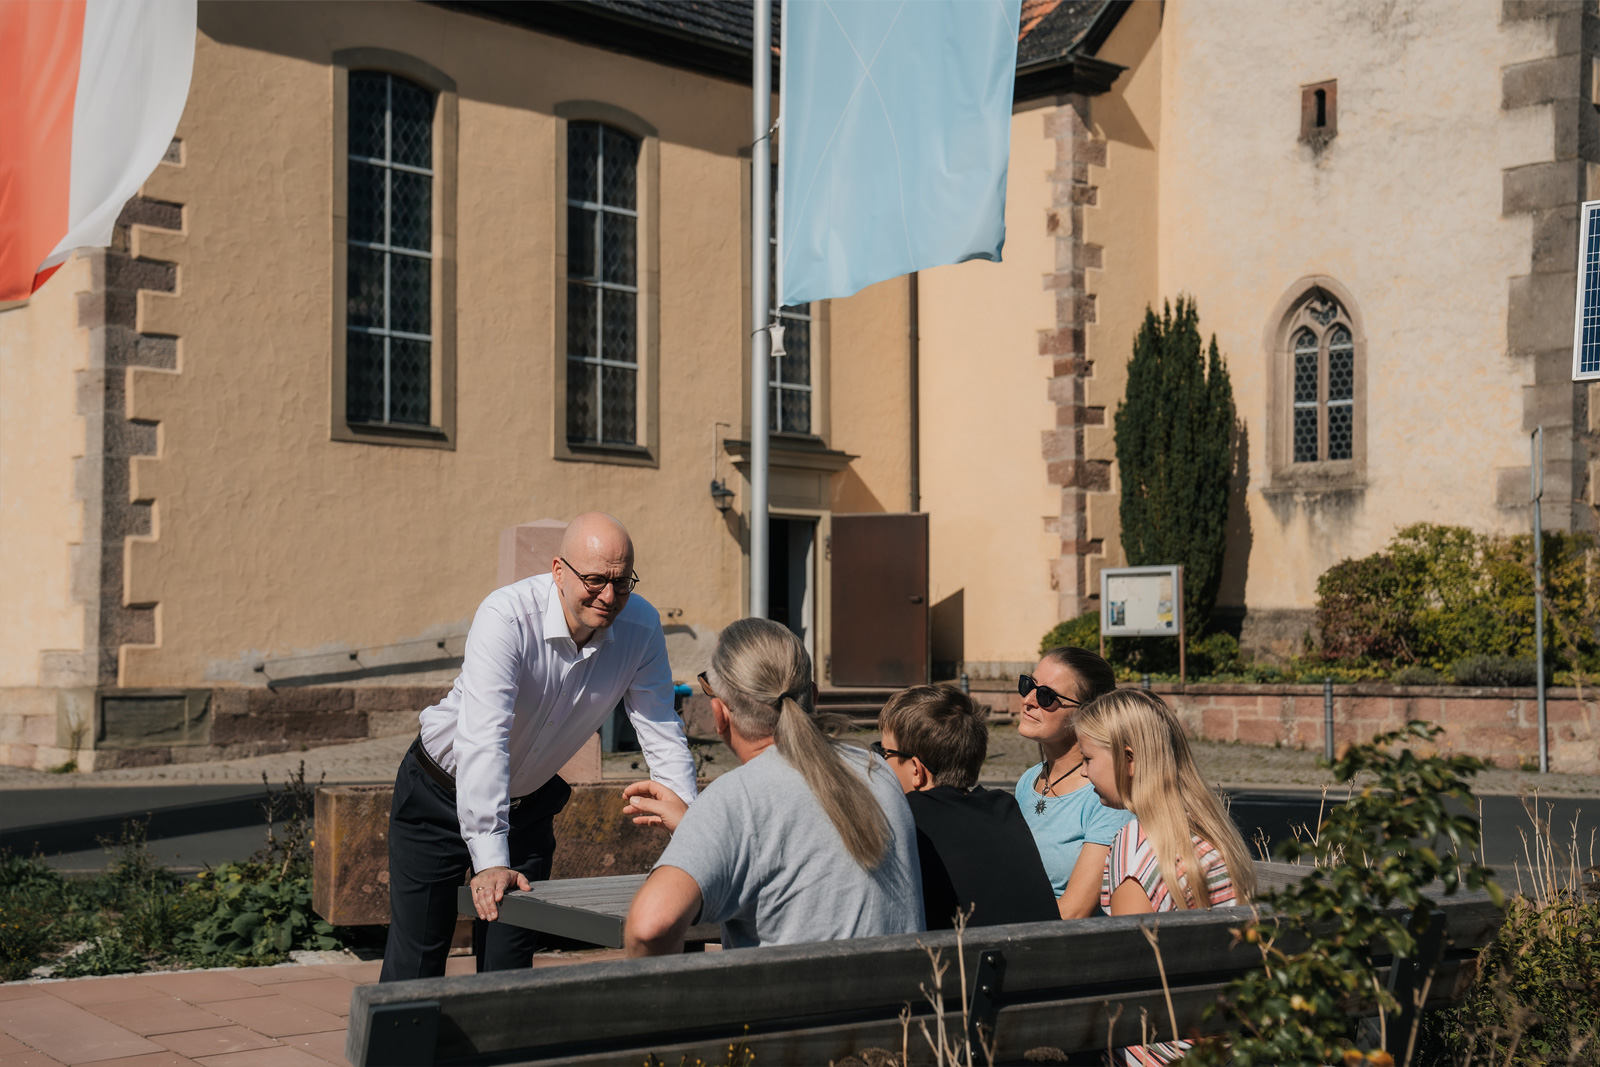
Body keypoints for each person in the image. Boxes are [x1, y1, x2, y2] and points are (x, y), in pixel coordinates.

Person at [379, 513, 698, 982]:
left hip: (527, 807)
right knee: (418, 960)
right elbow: (484, 739)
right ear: (558, 570)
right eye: (594, 580)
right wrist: (489, 860)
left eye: (621, 582)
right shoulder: (506, 616)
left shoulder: (642, 626)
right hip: (437, 795)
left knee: (510, 966)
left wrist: (693, 836)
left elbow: (661, 728)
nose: (610, 597)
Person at [621, 617, 922, 953]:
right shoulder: (875, 769)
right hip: (905, 1003)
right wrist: (697, 826)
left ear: (720, 713)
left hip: (796, 1006)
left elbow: (650, 927)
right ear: (814, 697)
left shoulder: (737, 798)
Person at [1075, 688, 1256, 1067]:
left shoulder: (1134, 848)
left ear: (1130, 760)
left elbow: (1128, 984)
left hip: (1152, 1054)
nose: (1083, 770)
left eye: (1088, 758)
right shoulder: (1212, 835)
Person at [876, 684, 1058, 930]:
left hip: (962, 965)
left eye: (884, 752)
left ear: (916, 771)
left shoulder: (906, 818)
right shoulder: (1003, 809)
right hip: (1046, 960)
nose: (879, 762)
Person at [1013, 646, 1131, 918]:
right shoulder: (1028, 780)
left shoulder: (1106, 795)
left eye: (1047, 696)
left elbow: (1075, 910)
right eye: (1028, 684)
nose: (1029, 700)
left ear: (1086, 712)